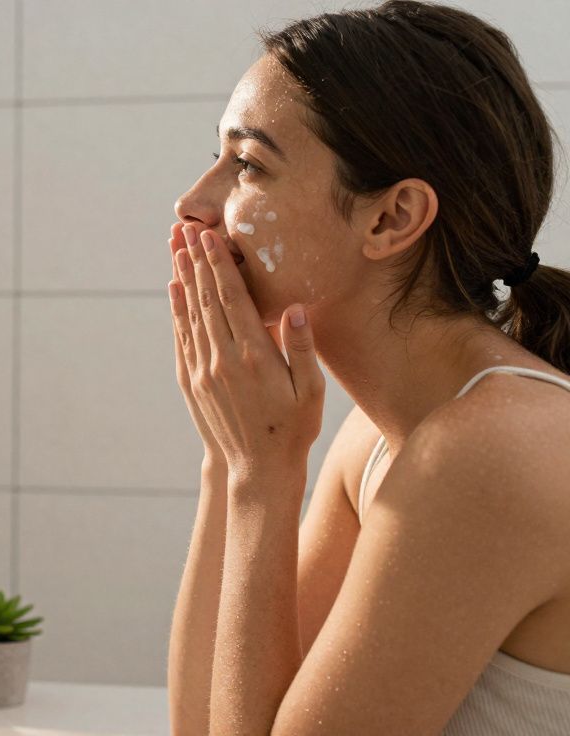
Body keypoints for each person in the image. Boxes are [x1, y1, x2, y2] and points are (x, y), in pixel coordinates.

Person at [165, 1, 570, 733]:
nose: (194, 203)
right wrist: (230, 462)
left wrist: (264, 478)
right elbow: (204, 725)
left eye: (248, 164)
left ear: (391, 219)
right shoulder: (379, 441)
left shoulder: (490, 450)